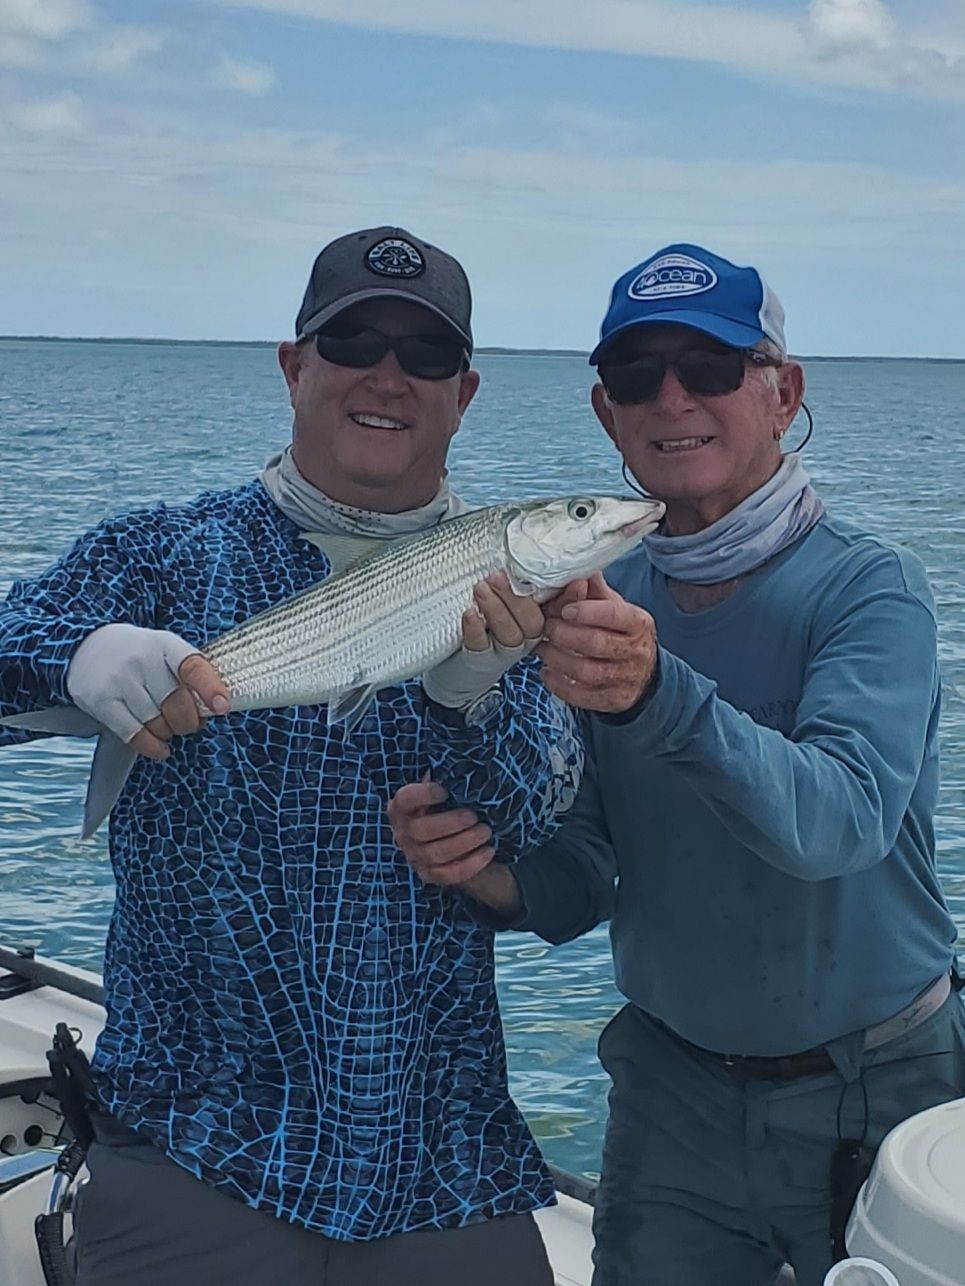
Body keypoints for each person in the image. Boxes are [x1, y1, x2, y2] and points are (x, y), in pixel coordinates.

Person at [0, 226, 585, 1285]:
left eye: (425, 355)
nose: (387, 375)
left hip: (442, 1163)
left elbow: (536, 815)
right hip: (188, 1145)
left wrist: (471, 693)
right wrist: (70, 652)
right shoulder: (159, 554)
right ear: (292, 363)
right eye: (353, 337)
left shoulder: (532, 599)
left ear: (465, 392)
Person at [387, 243, 965, 1286]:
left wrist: (660, 694)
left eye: (706, 367)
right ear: (605, 413)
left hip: (878, 1084)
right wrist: (490, 876)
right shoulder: (602, 594)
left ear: (780, 392)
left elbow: (837, 824)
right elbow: (594, 861)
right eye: (634, 376)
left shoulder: (869, 591)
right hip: (668, 1090)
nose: (669, 397)